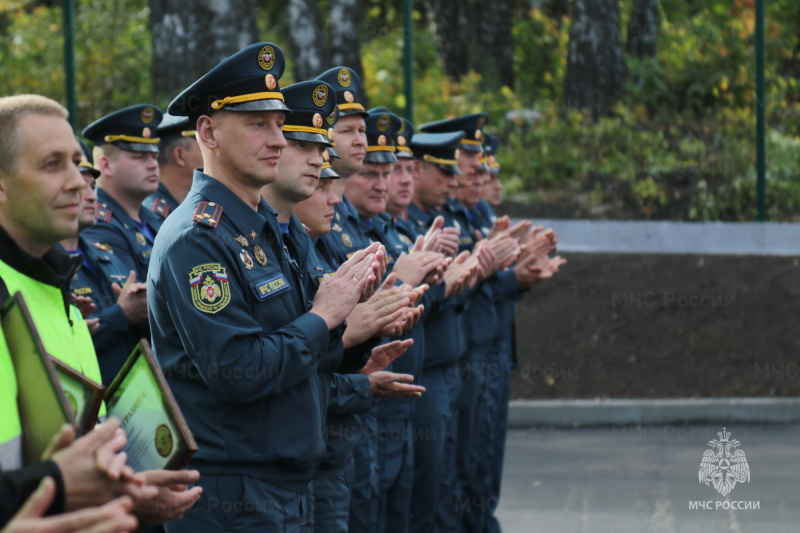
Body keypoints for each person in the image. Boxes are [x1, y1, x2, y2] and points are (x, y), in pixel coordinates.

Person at [149, 42, 382, 532]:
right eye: (258, 124)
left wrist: (351, 334)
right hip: (234, 493)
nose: (277, 139)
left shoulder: (262, 227)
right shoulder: (199, 238)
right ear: (208, 132)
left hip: (279, 486)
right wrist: (325, 316)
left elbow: (299, 351)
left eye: (278, 124)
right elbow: (238, 370)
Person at [0, 93, 201, 528]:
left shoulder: (55, 286)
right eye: (52, 164)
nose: (78, 181)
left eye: (77, 161)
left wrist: (123, 489)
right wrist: (62, 484)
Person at [56, 139, 146, 383]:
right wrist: (121, 314)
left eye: (92, 186)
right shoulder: (43, 265)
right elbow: (57, 355)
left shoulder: (105, 254)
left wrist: (144, 310)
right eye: (79, 187)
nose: (91, 197)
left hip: (133, 402)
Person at [81, 104, 165, 281]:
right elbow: (136, 299)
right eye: (139, 157)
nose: (152, 165)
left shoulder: (154, 218)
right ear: (106, 165)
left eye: (154, 157)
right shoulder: (97, 223)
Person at [143, 113, 201, 220]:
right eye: (201, 142)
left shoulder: (188, 205)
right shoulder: (155, 216)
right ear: (180, 156)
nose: (210, 147)